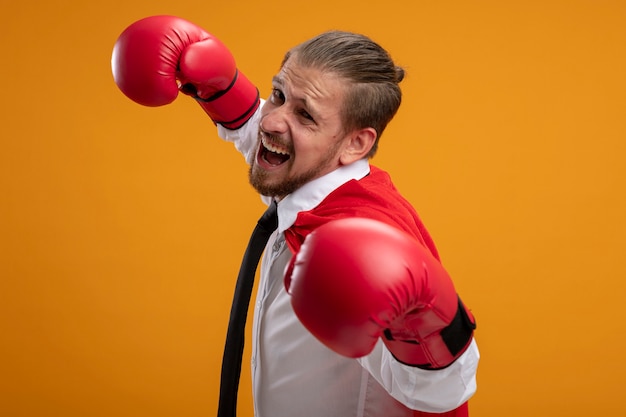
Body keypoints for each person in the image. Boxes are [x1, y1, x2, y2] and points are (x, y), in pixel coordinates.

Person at [112, 15, 479, 417]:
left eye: (305, 115)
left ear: (356, 143)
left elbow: (443, 391)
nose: (271, 119)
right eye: (278, 94)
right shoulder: (311, 175)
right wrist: (221, 88)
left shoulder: (363, 232)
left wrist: (421, 327)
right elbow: (262, 133)